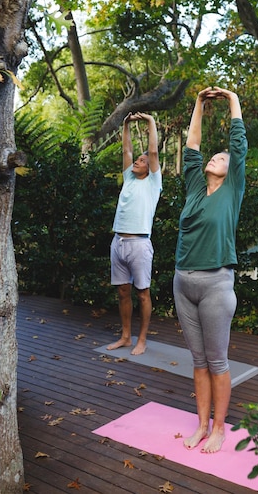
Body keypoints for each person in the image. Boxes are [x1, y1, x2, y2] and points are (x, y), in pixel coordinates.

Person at [173, 86, 247, 453]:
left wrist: (232, 98)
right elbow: (192, 147)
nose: (216, 158)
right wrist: (200, 105)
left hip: (217, 284)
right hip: (183, 282)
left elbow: (238, 144)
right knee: (198, 360)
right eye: (214, 156)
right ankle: (201, 424)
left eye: (223, 157)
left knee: (217, 360)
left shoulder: (233, 189)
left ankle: (219, 428)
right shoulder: (194, 189)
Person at [107, 112, 162, 356]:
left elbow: (152, 152)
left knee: (142, 293)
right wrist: (127, 124)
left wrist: (150, 121)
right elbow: (126, 151)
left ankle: (142, 339)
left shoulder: (153, 182)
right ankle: (126, 337)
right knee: (122, 292)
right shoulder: (129, 178)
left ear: (150, 167)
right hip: (118, 241)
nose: (138, 161)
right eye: (137, 160)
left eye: (142, 160)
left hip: (139, 243)